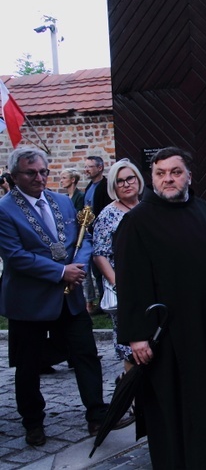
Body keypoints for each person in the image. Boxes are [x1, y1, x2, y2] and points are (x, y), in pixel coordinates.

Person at [114, 147, 206, 469]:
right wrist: (137, 336)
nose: (168, 179)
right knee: (180, 399)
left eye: (175, 172)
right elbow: (130, 283)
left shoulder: (204, 209)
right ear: (152, 178)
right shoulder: (137, 222)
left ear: (188, 174)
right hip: (171, 333)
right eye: (161, 174)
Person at [0, 148, 115, 446]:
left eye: (44, 172)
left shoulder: (61, 200)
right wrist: (60, 272)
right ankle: (33, 422)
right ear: (14, 176)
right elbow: (15, 256)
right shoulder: (4, 209)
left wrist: (78, 266)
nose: (40, 178)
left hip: (71, 297)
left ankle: (97, 416)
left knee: (86, 355)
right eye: (31, 173)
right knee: (28, 365)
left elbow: (84, 237)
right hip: (30, 299)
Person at [93, 159, 143, 404]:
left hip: (149, 284)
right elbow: (99, 253)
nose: (126, 184)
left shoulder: (146, 207)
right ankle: (130, 401)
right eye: (120, 181)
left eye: (130, 178)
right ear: (113, 185)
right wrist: (118, 283)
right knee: (130, 344)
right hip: (123, 286)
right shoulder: (109, 213)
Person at [83, 156, 113, 314]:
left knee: (105, 269)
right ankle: (102, 302)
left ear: (100, 168)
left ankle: (109, 302)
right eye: (86, 166)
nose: (86, 169)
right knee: (96, 270)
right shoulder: (90, 186)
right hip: (92, 235)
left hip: (103, 235)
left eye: (90, 166)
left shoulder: (105, 186)